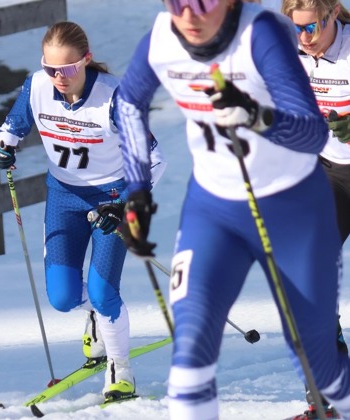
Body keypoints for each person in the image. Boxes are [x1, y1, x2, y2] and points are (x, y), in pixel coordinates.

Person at [115, 0, 350, 418]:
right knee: (199, 355)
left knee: (314, 337)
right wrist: (137, 188)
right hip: (268, 191)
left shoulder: (287, 39)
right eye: (174, 2)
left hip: (315, 187)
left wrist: (262, 117)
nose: (304, 37)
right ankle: (322, 404)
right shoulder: (172, 39)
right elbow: (130, 102)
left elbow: (307, 128)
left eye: (311, 26)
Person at [0, 21, 166, 403]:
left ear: (86, 60)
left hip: (113, 197)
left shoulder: (115, 97)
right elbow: (13, 126)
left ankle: (120, 369)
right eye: (50, 68)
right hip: (64, 198)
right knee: (63, 297)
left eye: (67, 69)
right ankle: (100, 318)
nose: (58, 77)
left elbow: (154, 160)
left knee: (104, 291)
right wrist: (5, 145)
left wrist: (125, 205)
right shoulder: (37, 85)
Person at [279, 0, 350, 417]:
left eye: (311, 28)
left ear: (332, 14)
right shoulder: (294, 52)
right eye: (297, 29)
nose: (304, 38)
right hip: (327, 175)